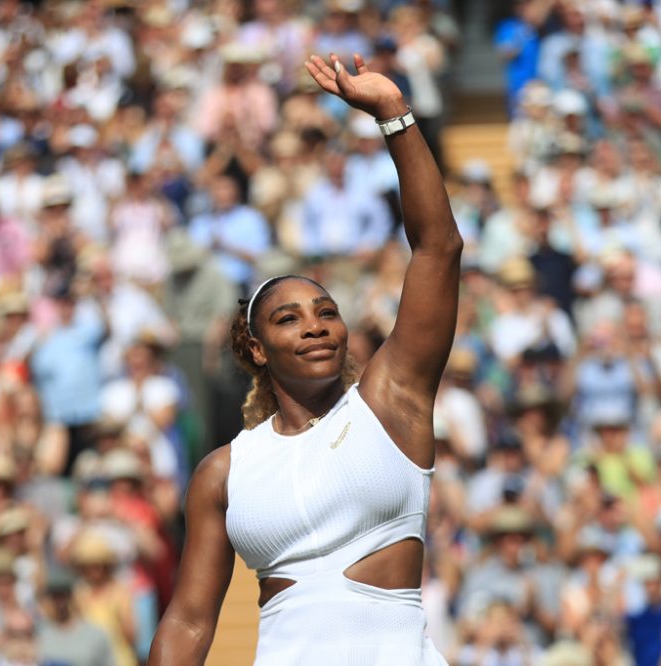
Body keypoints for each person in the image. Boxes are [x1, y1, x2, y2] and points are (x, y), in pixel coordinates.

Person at [149, 53, 462, 664]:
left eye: (326, 312)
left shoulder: (392, 404)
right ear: (257, 350)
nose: (315, 326)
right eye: (288, 319)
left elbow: (437, 248)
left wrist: (394, 115)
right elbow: (188, 623)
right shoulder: (224, 471)